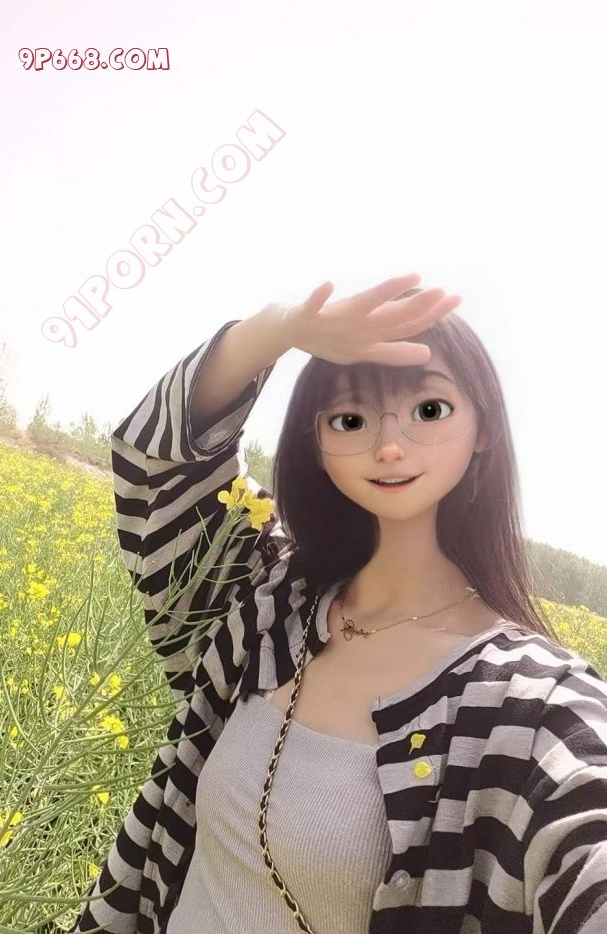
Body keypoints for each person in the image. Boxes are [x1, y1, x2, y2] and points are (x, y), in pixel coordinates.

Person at [70, 274, 607, 934]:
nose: (389, 445)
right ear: (317, 443)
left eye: (429, 409)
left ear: (484, 429)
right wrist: (279, 328)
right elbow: (155, 467)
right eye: (351, 419)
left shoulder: (532, 706)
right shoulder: (267, 601)